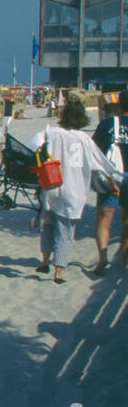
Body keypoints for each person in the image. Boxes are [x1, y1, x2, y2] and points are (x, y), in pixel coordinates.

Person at [33, 97, 122, 283]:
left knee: (48, 225)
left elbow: (32, 146)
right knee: (65, 230)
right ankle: (58, 272)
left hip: (51, 186)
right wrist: (113, 183)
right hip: (73, 189)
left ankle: (44, 261)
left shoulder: (51, 133)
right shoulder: (83, 139)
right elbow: (102, 164)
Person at [90, 96, 128, 274]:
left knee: (104, 221)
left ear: (119, 105)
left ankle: (103, 259)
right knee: (126, 221)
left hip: (111, 178)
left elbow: (94, 150)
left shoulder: (108, 123)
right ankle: (122, 258)